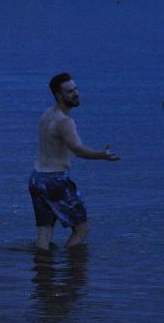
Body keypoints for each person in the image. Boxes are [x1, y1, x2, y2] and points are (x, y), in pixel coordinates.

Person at [29, 73, 119, 250]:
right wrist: (102, 155)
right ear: (59, 96)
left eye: (75, 89)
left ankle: (43, 273)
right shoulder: (65, 122)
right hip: (55, 180)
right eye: (70, 92)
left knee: (44, 233)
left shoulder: (47, 114)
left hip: (37, 179)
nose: (76, 93)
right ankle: (73, 273)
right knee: (82, 229)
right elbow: (77, 149)